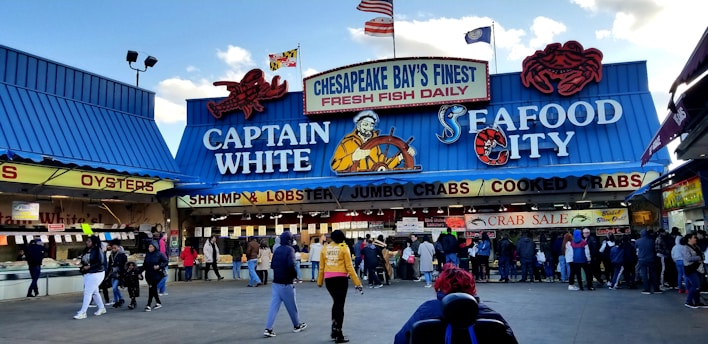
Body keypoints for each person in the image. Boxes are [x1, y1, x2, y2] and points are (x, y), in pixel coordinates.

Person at [393, 264, 517, 344]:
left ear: (440, 287)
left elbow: (400, 340)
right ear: (472, 288)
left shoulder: (425, 311)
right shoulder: (491, 315)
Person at [330, 110, 416, 173]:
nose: (368, 128)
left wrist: (401, 156)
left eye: (371, 125)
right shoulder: (347, 142)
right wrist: (352, 157)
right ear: (358, 126)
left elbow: (384, 165)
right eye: (365, 124)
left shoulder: (375, 143)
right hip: (355, 183)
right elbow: (335, 165)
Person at [317, 230, 363, 343]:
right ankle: (339, 333)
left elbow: (321, 266)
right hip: (341, 279)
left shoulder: (325, 248)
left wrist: (320, 281)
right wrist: (357, 283)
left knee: (336, 303)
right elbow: (349, 267)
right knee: (339, 305)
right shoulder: (344, 248)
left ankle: (334, 329)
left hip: (329, 280)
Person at [263, 231, 307, 337]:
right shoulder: (290, 250)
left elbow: (273, 264)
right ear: (290, 240)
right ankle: (296, 326)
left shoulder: (277, 250)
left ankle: (268, 329)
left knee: (273, 307)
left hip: (276, 283)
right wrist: (295, 276)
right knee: (292, 306)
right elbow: (291, 265)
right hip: (286, 283)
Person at [74, 235, 107, 319]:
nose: (87, 242)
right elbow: (83, 259)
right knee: (95, 292)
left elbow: (100, 262)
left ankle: (83, 312)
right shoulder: (86, 250)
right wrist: (79, 262)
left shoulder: (97, 250)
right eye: (87, 241)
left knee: (88, 292)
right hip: (87, 273)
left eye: (89, 241)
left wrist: (89, 267)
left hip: (96, 273)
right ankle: (102, 308)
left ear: (94, 242)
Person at [682, 232, 707, 308]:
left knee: (698, 285)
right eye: (694, 238)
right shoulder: (686, 248)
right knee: (695, 285)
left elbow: (702, 254)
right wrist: (699, 258)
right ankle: (688, 301)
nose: (695, 239)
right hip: (690, 268)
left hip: (698, 268)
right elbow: (688, 258)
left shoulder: (696, 246)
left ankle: (697, 302)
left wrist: (701, 257)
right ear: (689, 239)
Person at [143, 241, 168, 312]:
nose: (149, 248)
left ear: (155, 247)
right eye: (149, 247)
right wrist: (139, 272)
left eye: (151, 247)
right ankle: (158, 302)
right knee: (153, 288)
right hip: (148, 274)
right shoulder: (147, 254)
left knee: (152, 288)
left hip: (156, 274)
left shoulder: (159, 254)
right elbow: (145, 264)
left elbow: (166, 261)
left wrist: (159, 266)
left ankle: (148, 305)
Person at [636, 229, 659, 294]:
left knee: (644, 274)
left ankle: (647, 289)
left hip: (642, 259)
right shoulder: (652, 241)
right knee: (654, 274)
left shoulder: (637, 241)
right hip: (651, 259)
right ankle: (656, 289)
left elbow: (636, 249)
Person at [108, 239, 127, 308]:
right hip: (112, 273)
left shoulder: (122, 255)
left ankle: (119, 299)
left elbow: (125, 265)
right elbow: (109, 265)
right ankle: (118, 300)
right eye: (112, 248)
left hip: (119, 274)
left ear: (119, 247)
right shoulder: (111, 256)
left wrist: (122, 273)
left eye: (115, 248)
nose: (113, 249)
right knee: (114, 288)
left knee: (114, 288)